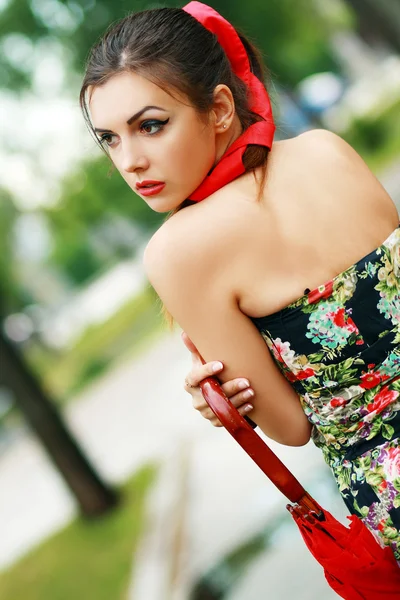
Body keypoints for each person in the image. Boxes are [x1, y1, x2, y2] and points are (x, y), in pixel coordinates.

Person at [80, 1, 400, 565]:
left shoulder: (179, 253)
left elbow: (292, 427)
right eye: (109, 138)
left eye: (150, 125)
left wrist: (233, 401)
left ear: (221, 107)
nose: (130, 161)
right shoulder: (328, 151)